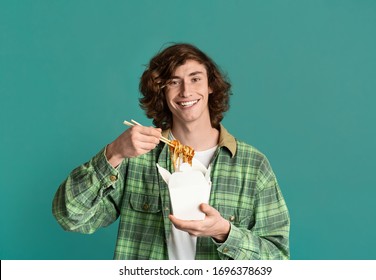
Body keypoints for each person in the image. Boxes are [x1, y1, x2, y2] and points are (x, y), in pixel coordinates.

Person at [52, 43, 290, 260]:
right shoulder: (136, 158)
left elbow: (278, 260)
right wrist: (114, 153)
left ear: (210, 87)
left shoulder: (252, 164)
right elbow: (71, 217)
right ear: (162, 92)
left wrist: (225, 233)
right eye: (174, 82)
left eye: (195, 79)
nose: (186, 91)